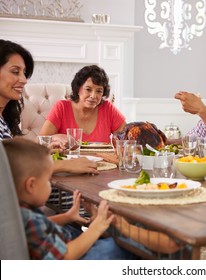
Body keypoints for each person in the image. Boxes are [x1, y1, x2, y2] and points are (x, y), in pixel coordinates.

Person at [3, 138, 137, 260]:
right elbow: (65, 256)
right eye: (48, 180)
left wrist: (67, 216)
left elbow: (42, 225)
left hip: (55, 248)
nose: (50, 184)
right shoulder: (31, 219)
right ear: (31, 185)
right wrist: (96, 228)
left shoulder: (16, 211)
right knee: (114, 247)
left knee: (72, 230)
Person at [0, 39, 98, 175]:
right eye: (15, 72)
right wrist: (63, 165)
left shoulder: (3, 119)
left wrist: (43, 151)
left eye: (24, 73)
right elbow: (7, 171)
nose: (24, 80)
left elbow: (8, 160)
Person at [39, 64, 126, 144]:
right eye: (88, 89)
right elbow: (42, 140)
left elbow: (127, 136)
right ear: (78, 89)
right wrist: (58, 137)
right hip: (68, 160)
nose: (93, 96)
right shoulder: (62, 107)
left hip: (102, 161)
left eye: (99, 91)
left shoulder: (107, 108)